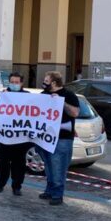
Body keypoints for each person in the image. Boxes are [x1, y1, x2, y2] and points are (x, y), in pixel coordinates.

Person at [37, 71, 79, 205]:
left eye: (46, 80)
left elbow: (75, 112)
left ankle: (57, 194)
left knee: (58, 167)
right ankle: (49, 190)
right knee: (49, 166)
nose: (44, 83)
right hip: (45, 137)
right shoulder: (43, 95)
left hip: (62, 138)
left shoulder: (69, 95)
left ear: (54, 83)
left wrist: (61, 102)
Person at [0, 72, 31, 195]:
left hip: (21, 137)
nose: (14, 84)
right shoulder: (3, 95)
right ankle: (0, 184)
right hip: (5, 135)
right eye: (12, 82)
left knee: (19, 163)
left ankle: (17, 186)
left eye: (16, 82)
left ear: (21, 83)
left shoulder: (27, 96)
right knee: (3, 162)